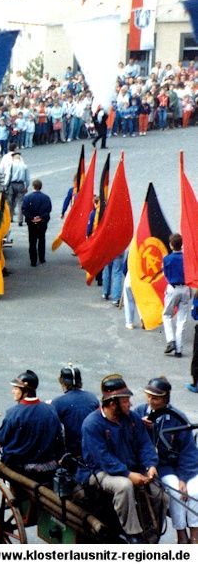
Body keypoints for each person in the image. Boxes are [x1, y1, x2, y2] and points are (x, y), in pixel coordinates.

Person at [79, 375, 164, 543]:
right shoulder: (92, 424)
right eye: (126, 401)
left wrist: (150, 465)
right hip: (100, 472)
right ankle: (133, 534)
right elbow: (104, 459)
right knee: (124, 486)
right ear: (112, 404)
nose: (130, 404)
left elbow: (144, 445)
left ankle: (153, 533)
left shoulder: (131, 419)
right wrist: (128, 474)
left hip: (129, 469)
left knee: (160, 494)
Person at [134, 377, 198, 543]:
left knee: (194, 491)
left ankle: (194, 536)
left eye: (155, 398)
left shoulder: (176, 416)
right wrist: (139, 427)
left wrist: (184, 477)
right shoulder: (140, 413)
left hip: (183, 466)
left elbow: (189, 451)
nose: (151, 401)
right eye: (148, 397)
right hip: (162, 466)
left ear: (165, 398)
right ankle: (181, 535)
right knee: (176, 492)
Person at [0, 370, 64, 483]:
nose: (13, 391)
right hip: (48, 468)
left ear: (25, 392)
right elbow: (59, 439)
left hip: (22, 468)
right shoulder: (50, 409)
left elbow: (1, 437)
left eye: (16, 388)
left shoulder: (13, 413)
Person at [51, 365, 99, 460]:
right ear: (80, 382)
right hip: (93, 448)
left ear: (61, 382)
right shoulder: (92, 397)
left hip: (73, 452)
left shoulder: (58, 402)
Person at [162, 233, 190, 358]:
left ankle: (171, 340)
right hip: (185, 288)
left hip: (173, 288)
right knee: (182, 320)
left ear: (171, 245)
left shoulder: (167, 259)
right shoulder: (186, 258)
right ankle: (179, 349)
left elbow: (166, 275)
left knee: (167, 315)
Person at [21, 179, 52, 267]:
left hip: (31, 222)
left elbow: (24, 209)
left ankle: (33, 260)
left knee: (32, 240)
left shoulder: (27, 198)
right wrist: (41, 217)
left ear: (33, 187)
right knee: (42, 239)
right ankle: (42, 258)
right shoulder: (46, 198)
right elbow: (48, 209)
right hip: (42, 222)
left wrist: (32, 218)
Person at [5, 152, 31, 225]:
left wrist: (5, 185)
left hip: (12, 184)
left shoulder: (11, 165)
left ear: (13, 158)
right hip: (21, 184)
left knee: (11, 202)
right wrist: (26, 187)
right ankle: (20, 220)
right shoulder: (24, 166)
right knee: (21, 202)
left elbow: (8, 176)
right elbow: (28, 179)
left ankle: (10, 217)